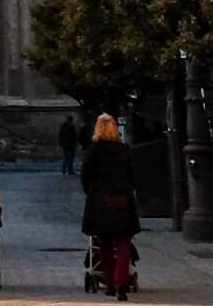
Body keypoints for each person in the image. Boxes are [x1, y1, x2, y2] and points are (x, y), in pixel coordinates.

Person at [81, 113, 140, 303]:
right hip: (122, 199)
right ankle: (121, 282)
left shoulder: (94, 150)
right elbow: (132, 176)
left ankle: (110, 284)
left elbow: (85, 175)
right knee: (123, 244)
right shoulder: (124, 150)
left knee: (104, 244)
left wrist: (90, 192)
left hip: (100, 201)